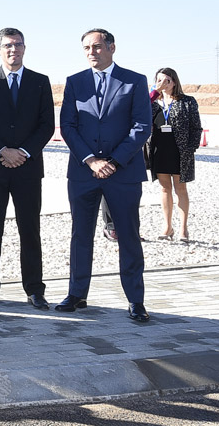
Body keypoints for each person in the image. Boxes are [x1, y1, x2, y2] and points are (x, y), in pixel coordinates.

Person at [57, 28, 152, 321]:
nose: (91, 52)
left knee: (128, 236)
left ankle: (136, 300)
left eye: (97, 46)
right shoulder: (75, 83)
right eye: (86, 48)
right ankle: (77, 294)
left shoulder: (134, 81)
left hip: (123, 174)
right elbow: (68, 126)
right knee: (80, 235)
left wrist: (113, 161)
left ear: (112, 47)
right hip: (84, 174)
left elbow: (141, 127)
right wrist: (91, 161)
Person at [0, 28, 55, 310]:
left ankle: (34, 289)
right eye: (7, 45)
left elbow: (46, 124)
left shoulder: (40, 82)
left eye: (17, 44)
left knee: (29, 229)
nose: (12, 49)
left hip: (28, 169)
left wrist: (24, 152)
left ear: (25, 48)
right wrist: (3, 151)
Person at [146, 67, 200, 243]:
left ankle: (183, 229)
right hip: (159, 150)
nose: (163, 83)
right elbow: (139, 111)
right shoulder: (153, 102)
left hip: (180, 151)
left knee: (181, 189)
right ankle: (167, 227)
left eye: (167, 80)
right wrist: (155, 91)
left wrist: (190, 148)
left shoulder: (187, 102)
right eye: (159, 80)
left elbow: (196, 127)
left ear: (174, 82)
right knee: (164, 188)